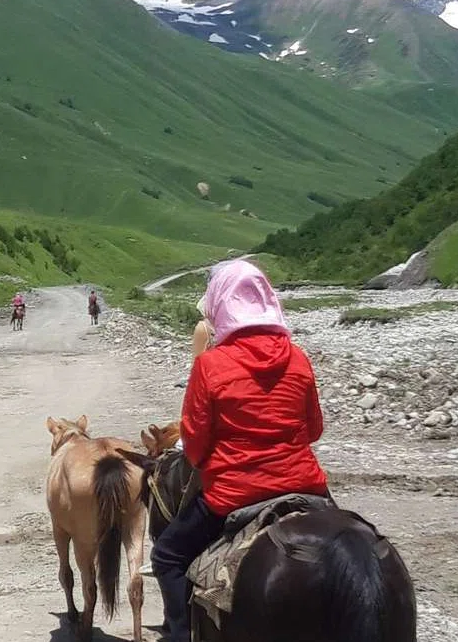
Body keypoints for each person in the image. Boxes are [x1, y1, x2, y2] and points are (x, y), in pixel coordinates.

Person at [150, 259, 330, 641]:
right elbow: (314, 430)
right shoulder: (298, 358)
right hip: (306, 485)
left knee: (167, 557)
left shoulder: (211, 365)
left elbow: (195, 446)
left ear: (219, 304)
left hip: (234, 494)